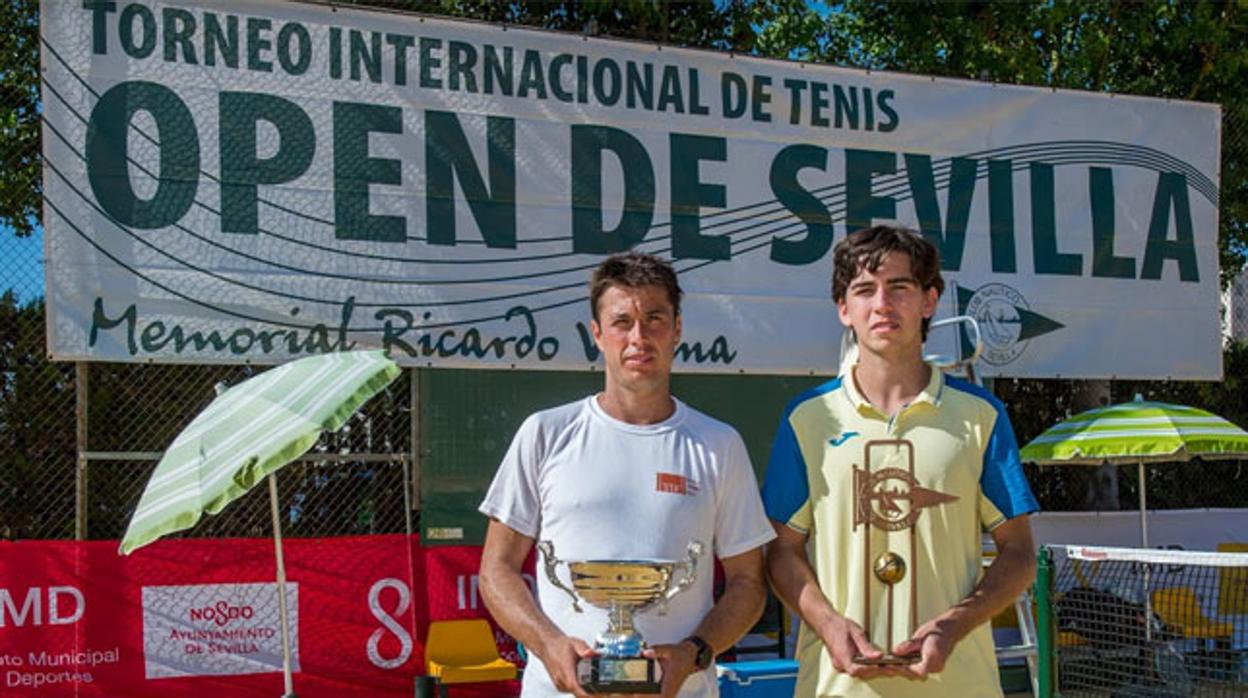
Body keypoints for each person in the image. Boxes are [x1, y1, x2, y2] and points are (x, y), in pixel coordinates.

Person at [479, 251, 775, 698]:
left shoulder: (719, 444)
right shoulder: (545, 433)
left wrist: (694, 652)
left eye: (654, 319)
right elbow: (495, 571)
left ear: (677, 329)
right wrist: (550, 645)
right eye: (622, 322)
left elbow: (749, 584)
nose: (639, 337)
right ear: (597, 334)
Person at [762, 225, 1039, 697]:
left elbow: (1019, 554)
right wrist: (829, 626)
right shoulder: (808, 418)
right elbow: (780, 552)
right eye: (864, 290)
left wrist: (955, 624)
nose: (882, 304)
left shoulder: (979, 415)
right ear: (844, 310)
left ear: (929, 301)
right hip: (839, 687)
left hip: (959, 686)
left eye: (900, 287)